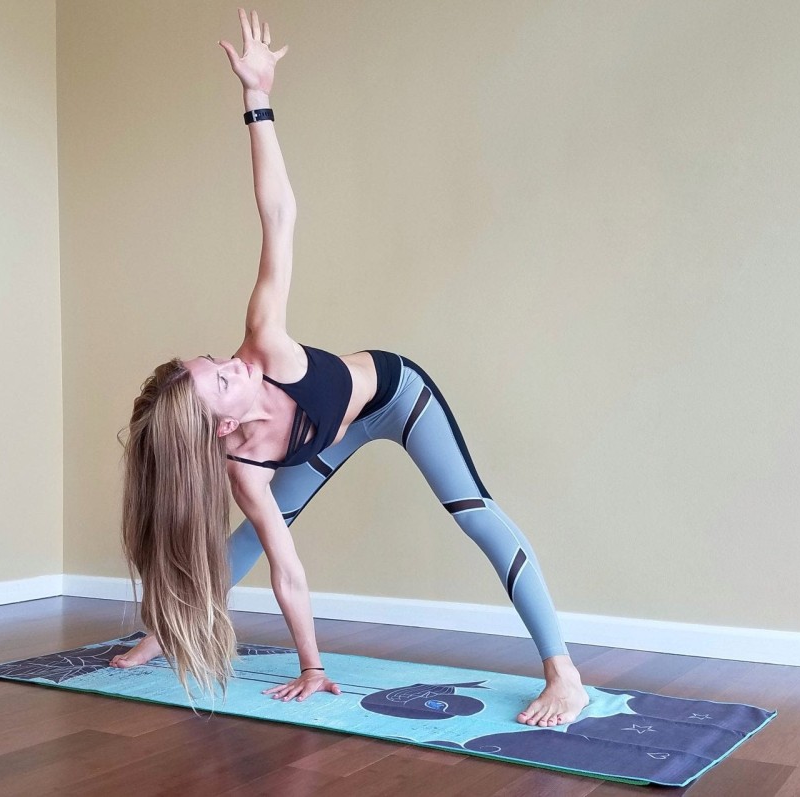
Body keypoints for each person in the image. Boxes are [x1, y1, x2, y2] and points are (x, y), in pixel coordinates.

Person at [112, 8, 589, 728]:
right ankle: (170, 626)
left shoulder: (264, 345)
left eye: (211, 362)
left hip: (396, 397)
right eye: (218, 378)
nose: (228, 363)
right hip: (325, 435)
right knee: (249, 537)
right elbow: (287, 570)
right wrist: (313, 667)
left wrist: (257, 100)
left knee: (475, 514)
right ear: (223, 427)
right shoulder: (244, 466)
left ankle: (565, 672)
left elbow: (279, 216)